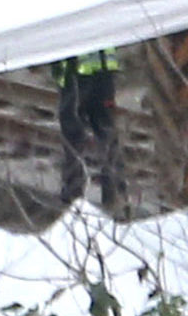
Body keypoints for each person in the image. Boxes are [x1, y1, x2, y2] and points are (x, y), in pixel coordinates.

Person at [48, 44, 129, 212]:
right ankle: (117, 197)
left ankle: (73, 200)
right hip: (103, 71)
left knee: (73, 137)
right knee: (107, 136)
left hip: (75, 71)